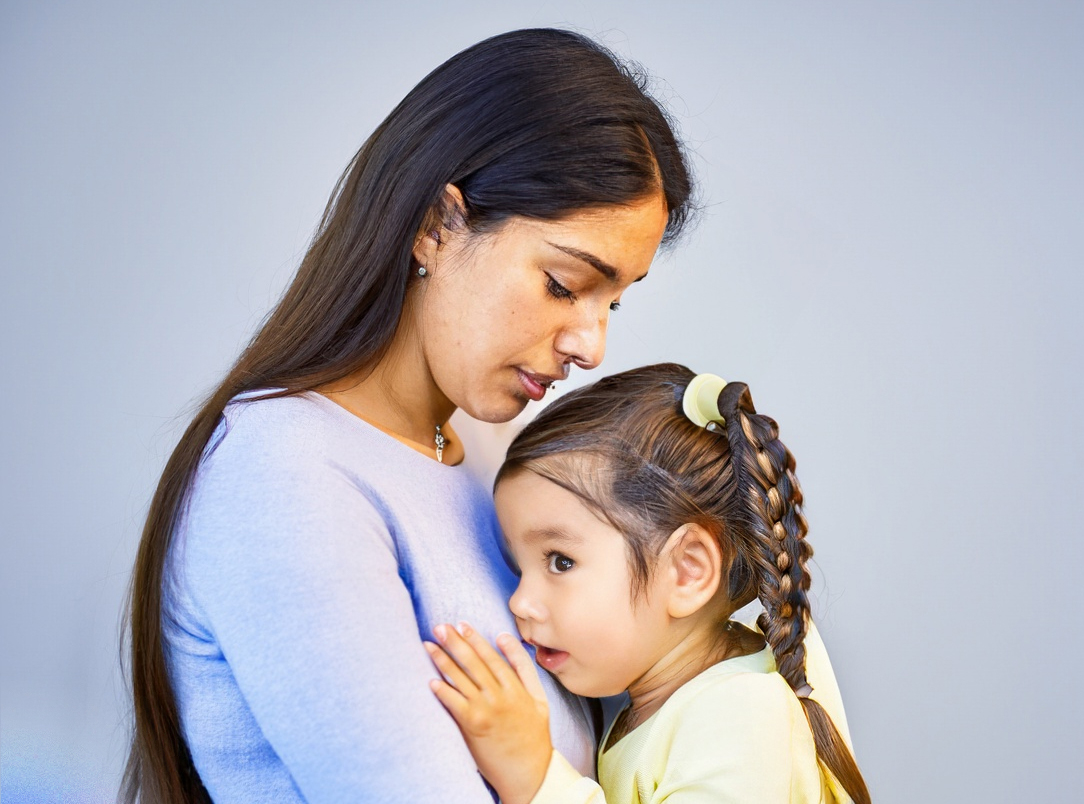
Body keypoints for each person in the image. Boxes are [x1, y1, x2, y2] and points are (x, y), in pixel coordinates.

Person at [122, 29, 694, 804]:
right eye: (564, 285)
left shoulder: (493, 452)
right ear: (436, 224)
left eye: (612, 302)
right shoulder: (284, 476)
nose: (591, 346)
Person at [425, 364, 871, 804]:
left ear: (686, 571)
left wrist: (534, 776)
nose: (521, 602)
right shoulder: (647, 694)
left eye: (560, 561)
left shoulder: (740, 719)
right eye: (519, 568)